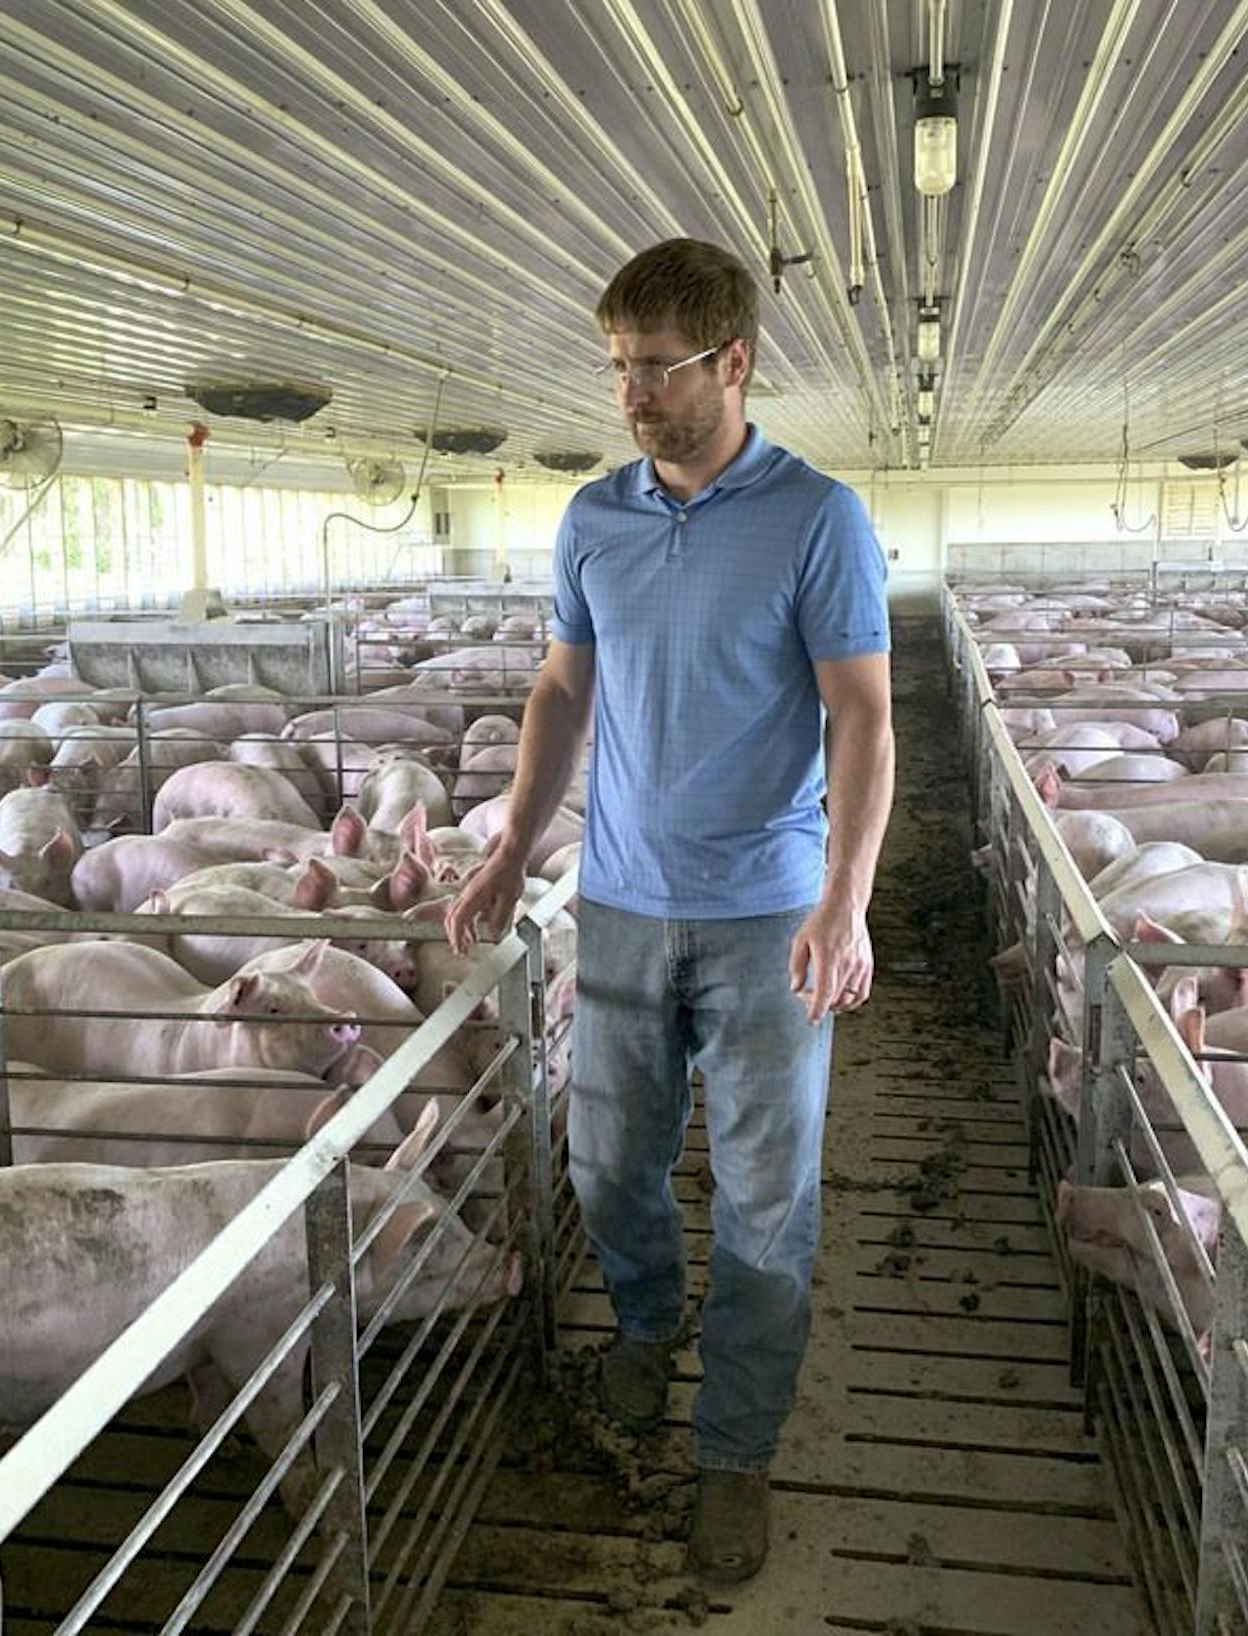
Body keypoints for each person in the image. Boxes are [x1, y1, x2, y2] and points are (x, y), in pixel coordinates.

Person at [443, 238, 895, 1583]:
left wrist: (847, 899)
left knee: (766, 1199)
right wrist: (514, 846)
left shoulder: (818, 518)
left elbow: (863, 715)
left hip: (768, 914)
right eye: (618, 368)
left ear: (733, 362)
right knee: (606, 1165)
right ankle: (646, 1329)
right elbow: (560, 691)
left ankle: (735, 1450)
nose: (631, 394)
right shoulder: (594, 519)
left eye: (655, 367)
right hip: (623, 901)